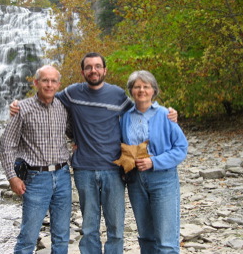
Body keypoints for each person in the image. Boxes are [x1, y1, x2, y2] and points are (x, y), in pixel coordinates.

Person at [11, 53, 178, 253]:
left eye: (98, 66)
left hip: (114, 169)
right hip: (84, 170)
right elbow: (46, 95)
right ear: (83, 72)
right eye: (89, 67)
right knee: (89, 228)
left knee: (115, 227)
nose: (94, 70)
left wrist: (168, 112)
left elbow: (141, 108)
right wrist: (17, 105)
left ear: (105, 70)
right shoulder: (72, 93)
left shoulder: (117, 95)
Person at [0, 65, 72, 254]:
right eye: (45, 80)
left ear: (58, 84)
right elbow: (7, 144)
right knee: (28, 237)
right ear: (36, 83)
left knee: (62, 236)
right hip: (35, 179)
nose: (49, 84)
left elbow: (77, 131)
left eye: (53, 81)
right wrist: (12, 177)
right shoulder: (21, 108)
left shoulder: (64, 107)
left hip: (63, 176)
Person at [120, 70, 188, 254]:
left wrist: (154, 162)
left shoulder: (166, 115)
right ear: (131, 91)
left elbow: (181, 148)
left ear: (153, 90)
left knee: (166, 240)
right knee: (146, 237)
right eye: (137, 87)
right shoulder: (125, 117)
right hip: (136, 181)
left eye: (146, 86)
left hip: (163, 179)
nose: (141, 90)